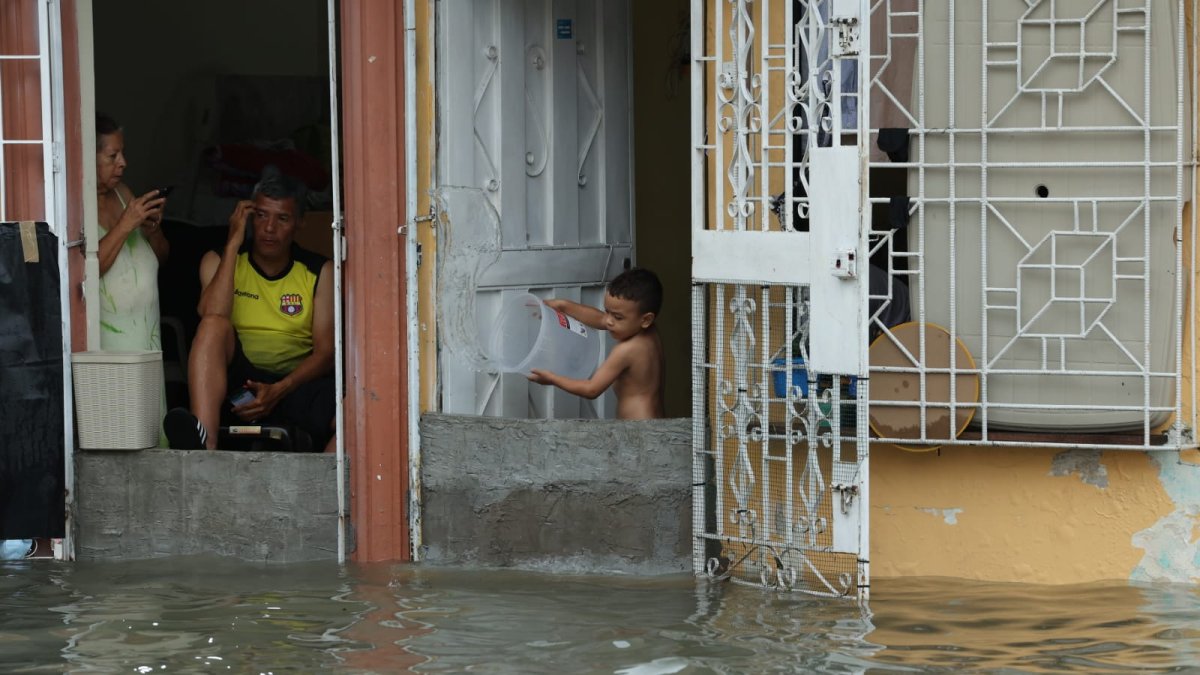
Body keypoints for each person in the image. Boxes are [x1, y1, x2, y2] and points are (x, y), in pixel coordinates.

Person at [163, 167, 334, 451]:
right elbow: (210, 314)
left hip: (295, 388)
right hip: (240, 394)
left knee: (354, 411)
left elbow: (326, 353)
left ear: (300, 222)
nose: (269, 228)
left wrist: (280, 389)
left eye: (282, 218)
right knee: (213, 325)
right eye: (261, 215)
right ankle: (203, 449)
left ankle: (326, 491)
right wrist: (233, 242)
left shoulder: (318, 271)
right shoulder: (218, 260)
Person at [95, 113, 170, 444]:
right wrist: (125, 225)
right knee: (122, 435)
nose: (122, 163)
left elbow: (163, 256)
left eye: (122, 153)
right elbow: (87, 269)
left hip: (148, 342)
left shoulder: (125, 193)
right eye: (112, 156)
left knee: (153, 432)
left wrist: (152, 230)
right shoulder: (75, 205)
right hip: (111, 347)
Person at [528, 268, 665, 419]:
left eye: (618, 317)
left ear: (646, 319)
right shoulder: (649, 332)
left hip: (639, 429)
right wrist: (563, 306)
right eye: (607, 312)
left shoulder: (627, 349)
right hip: (655, 421)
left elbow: (591, 389)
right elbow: (601, 319)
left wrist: (552, 378)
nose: (608, 321)